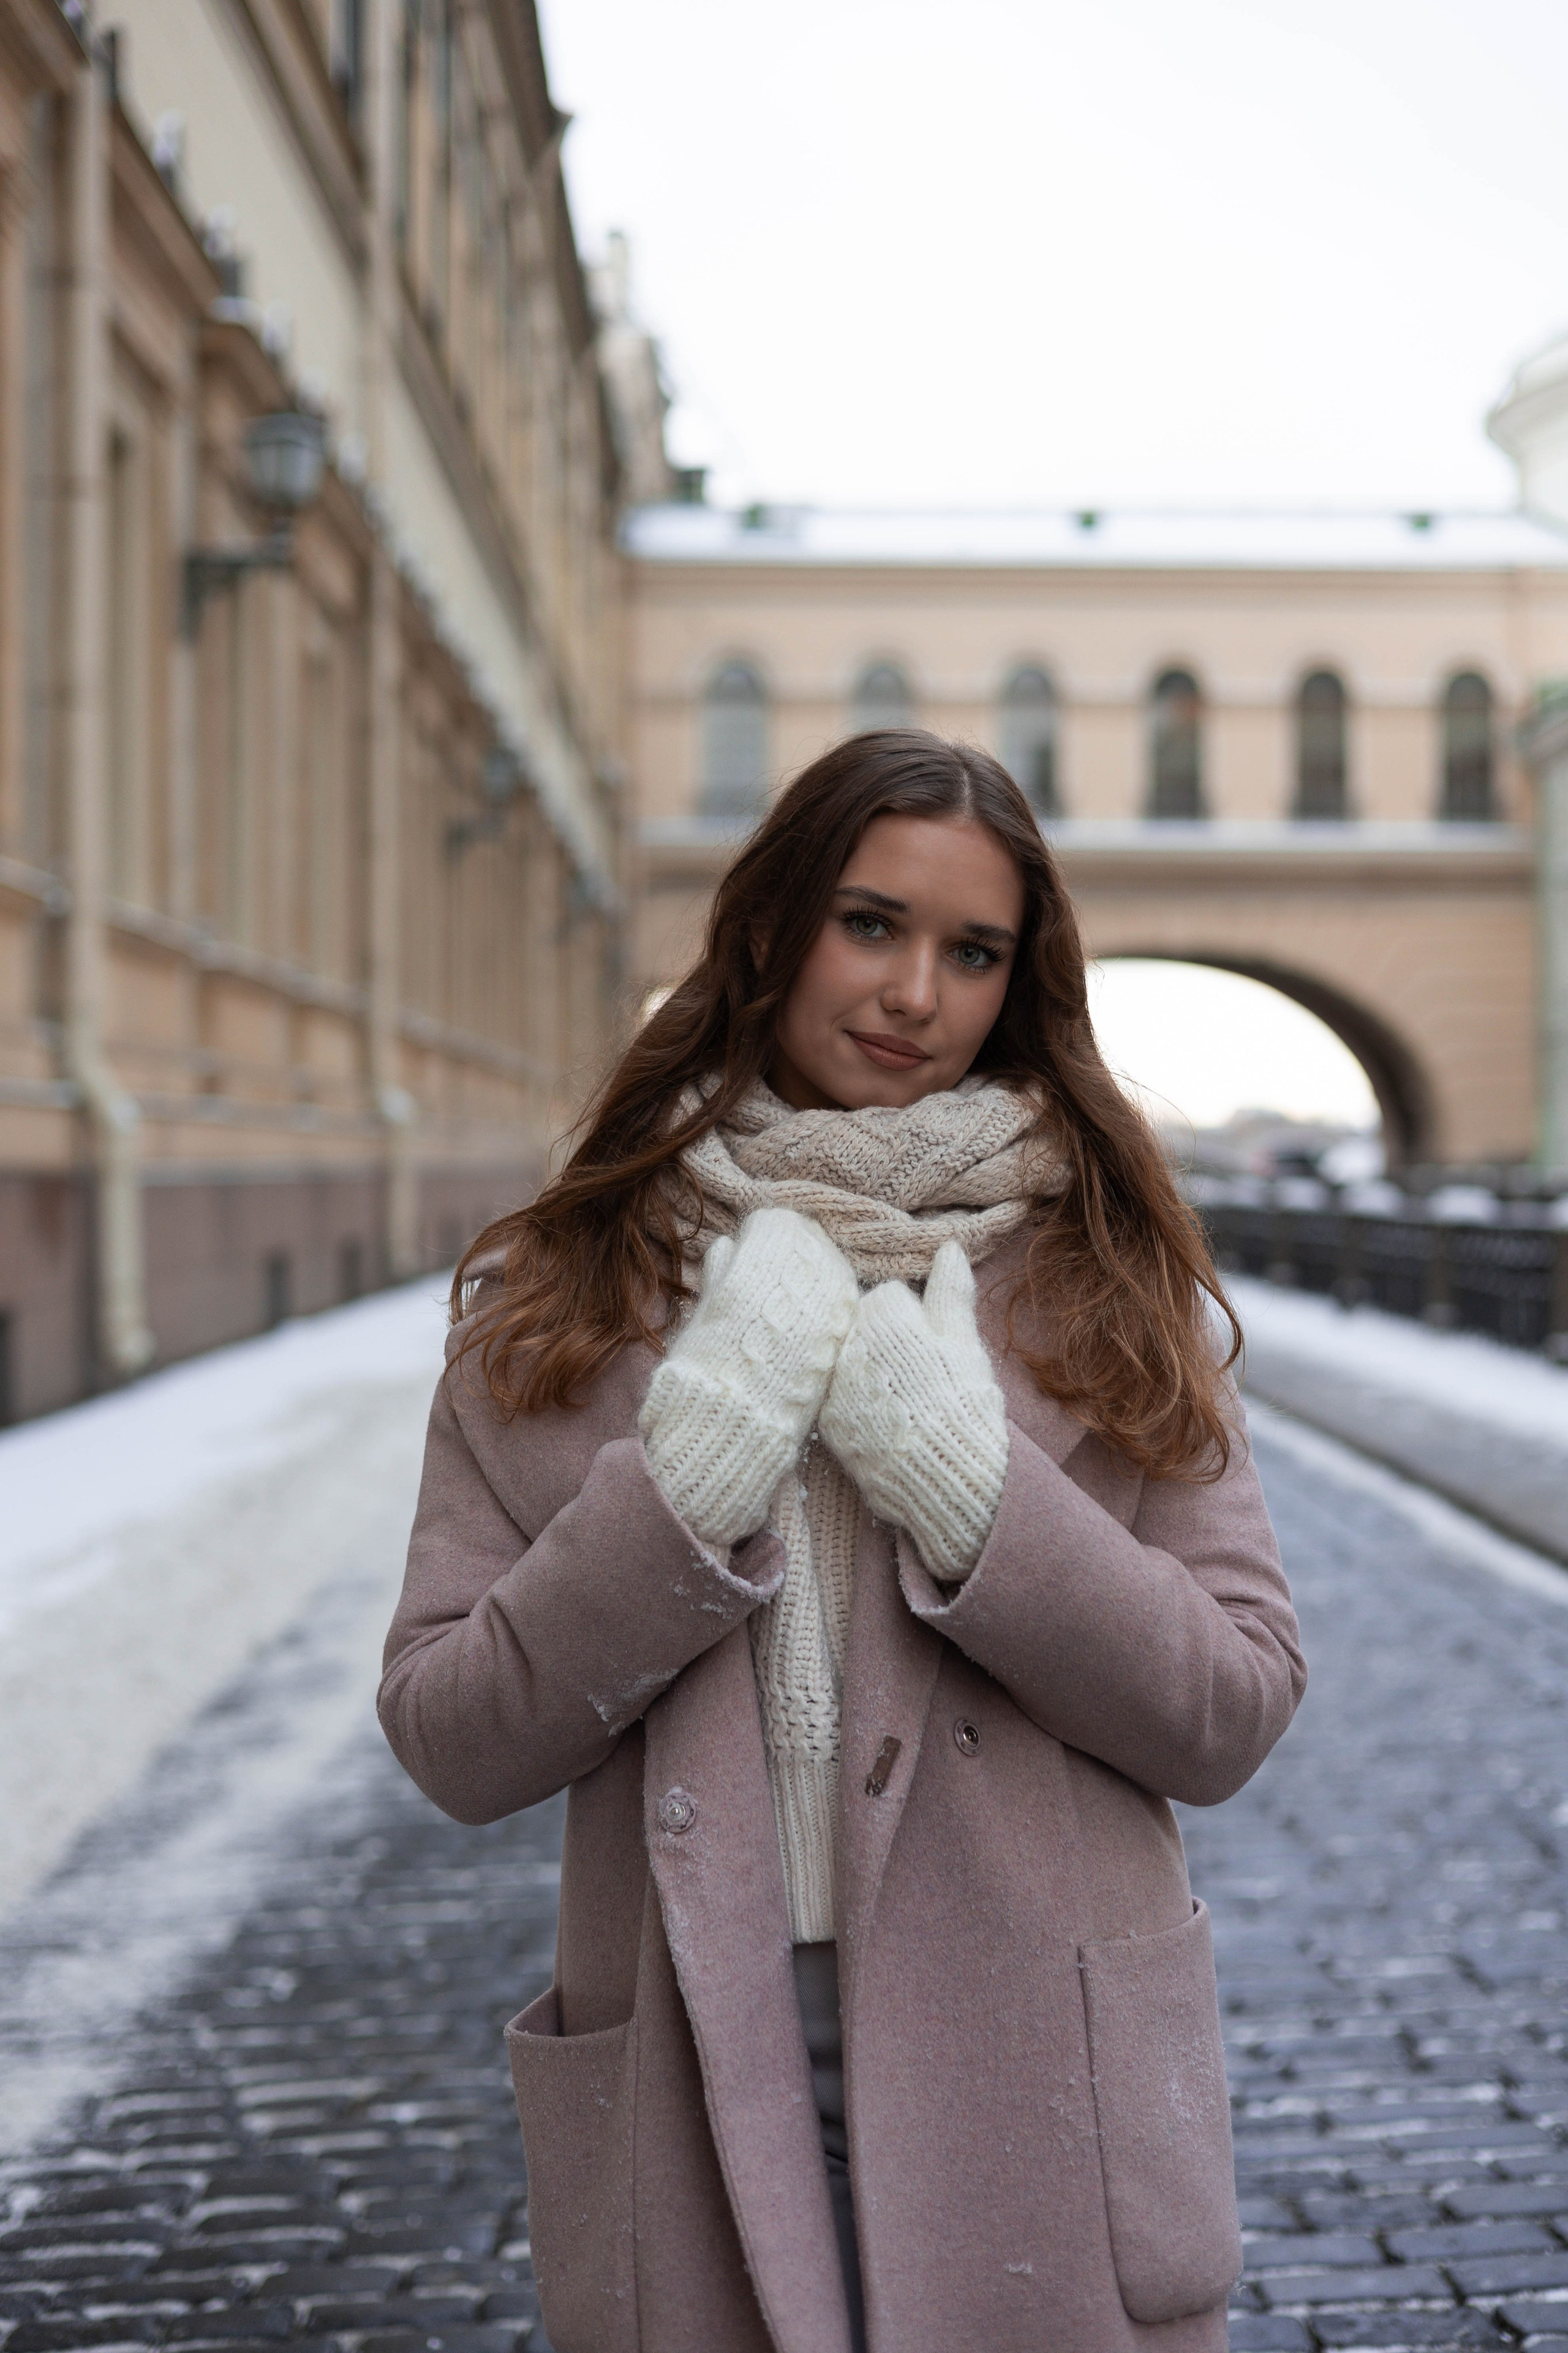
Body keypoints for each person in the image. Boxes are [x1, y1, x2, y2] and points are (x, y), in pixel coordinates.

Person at [379, 730, 1306, 2353]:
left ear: (1019, 983)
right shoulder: (569, 1293)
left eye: (972, 951)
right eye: (869, 923)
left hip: (1040, 2062)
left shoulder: (1103, 1280)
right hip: (695, 2044)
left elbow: (1228, 1707)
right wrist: (697, 1462)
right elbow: (455, 1734)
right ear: (770, 928)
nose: (914, 994)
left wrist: (968, 1486)